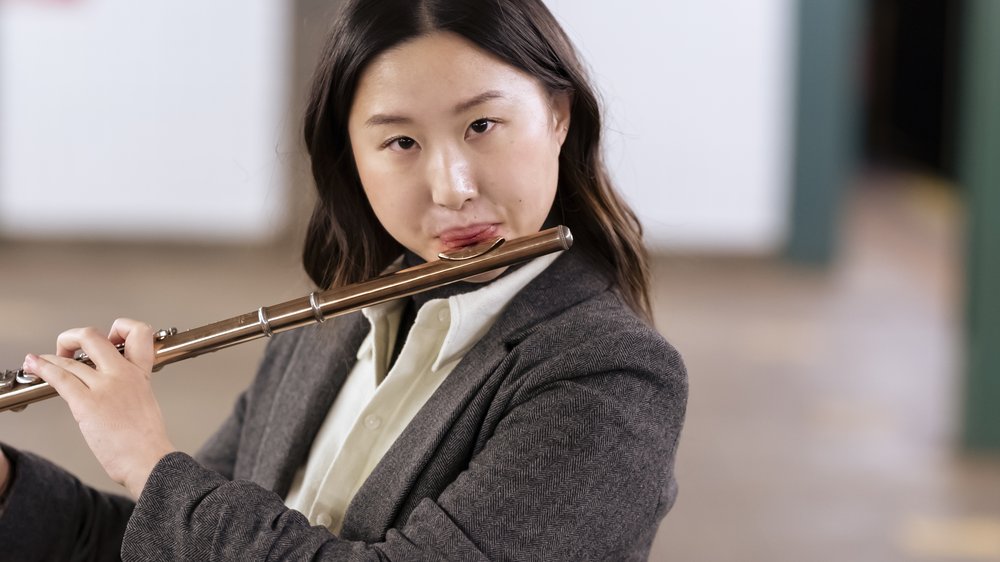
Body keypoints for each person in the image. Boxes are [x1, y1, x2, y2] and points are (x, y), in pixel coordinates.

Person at [0, 0, 688, 559]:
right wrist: (8, 491)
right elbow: (172, 541)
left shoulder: (612, 377)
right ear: (352, 158)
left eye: (483, 125)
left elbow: (189, 519)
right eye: (402, 143)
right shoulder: (327, 331)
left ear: (558, 116)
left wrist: (149, 463)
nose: (452, 189)